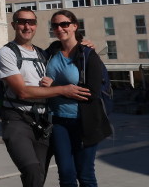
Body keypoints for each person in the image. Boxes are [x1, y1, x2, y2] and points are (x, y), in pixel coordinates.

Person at [0, 8, 91, 187]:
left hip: (42, 122)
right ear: (14, 25)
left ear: (36, 25)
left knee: (39, 176)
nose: (27, 26)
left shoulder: (43, 53)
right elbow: (22, 91)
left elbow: (65, 48)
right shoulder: (6, 53)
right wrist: (63, 90)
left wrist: (84, 45)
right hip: (17, 118)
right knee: (31, 169)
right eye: (22, 22)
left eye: (31, 22)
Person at [41, 10, 112, 187]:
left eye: (64, 24)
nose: (60, 28)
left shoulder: (88, 54)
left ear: (74, 26)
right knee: (65, 173)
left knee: (85, 174)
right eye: (55, 25)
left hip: (84, 122)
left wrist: (56, 89)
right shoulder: (51, 52)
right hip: (58, 122)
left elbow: (92, 93)